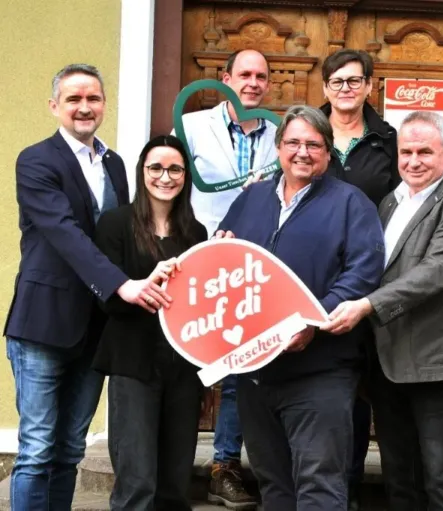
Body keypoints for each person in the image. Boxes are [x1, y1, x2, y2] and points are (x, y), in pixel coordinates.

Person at [4, 64, 169, 510]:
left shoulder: (115, 164)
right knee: (38, 450)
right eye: (73, 99)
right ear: (54, 106)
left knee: (70, 450)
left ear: (103, 105)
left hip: (98, 327)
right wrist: (123, 286)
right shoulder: (37, 160)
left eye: (92, 98)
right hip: (44, 322)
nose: (84, 107)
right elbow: (65, 234)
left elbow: (125, 233)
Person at [215, 105, 384, 510]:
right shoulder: (252, 198)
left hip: (320, 372)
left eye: (314, 144)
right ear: (278, 149)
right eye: (293, 142)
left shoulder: (351, 203)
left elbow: (362, 273)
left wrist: (311, 320)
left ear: (328, 153)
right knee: (274, 484)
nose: (302, 152)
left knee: (320, 485)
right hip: (258, 372)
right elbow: (225, 261)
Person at [321, 111, 443, 510]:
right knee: (399, 478)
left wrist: (366, 305)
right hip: (385, 360)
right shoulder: (389, 202)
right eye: (406, 152)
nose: (413, 161)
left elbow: (438, 271)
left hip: (435, 363)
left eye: (425, 152)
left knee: (440, 481)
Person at [174, 48, 277, 508]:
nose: (253, 82)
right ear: (225, 77)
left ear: (269, 85)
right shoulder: (192, 128)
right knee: (185, 362)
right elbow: (169, 182)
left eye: (261, 76)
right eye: (245, 74)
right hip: (194, 261)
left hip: (252, 266)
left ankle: (224, 466)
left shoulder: (280, 134)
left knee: (239, 369)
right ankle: (171, 465)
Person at [92, 135, 207, 510]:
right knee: (137, 480)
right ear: (142, 172)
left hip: (182, 368)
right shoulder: (115, 224)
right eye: (155, 167)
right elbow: (106, 299)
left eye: (175, 168)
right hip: (133, 362)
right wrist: (143, 287)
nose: (165, 176)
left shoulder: (196, 232)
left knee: (175, 481)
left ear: (185, 175)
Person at [318, 49, 400, 509]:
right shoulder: (310, 133)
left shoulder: (387, 138)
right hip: (316, 273)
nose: (346, 89)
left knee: (367, 386)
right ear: (325, 87)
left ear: (370, 85)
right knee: (326, 388)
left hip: (374, 276)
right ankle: (324, 489)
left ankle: (353, 487)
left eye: (355, 81)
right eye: (337, 81)